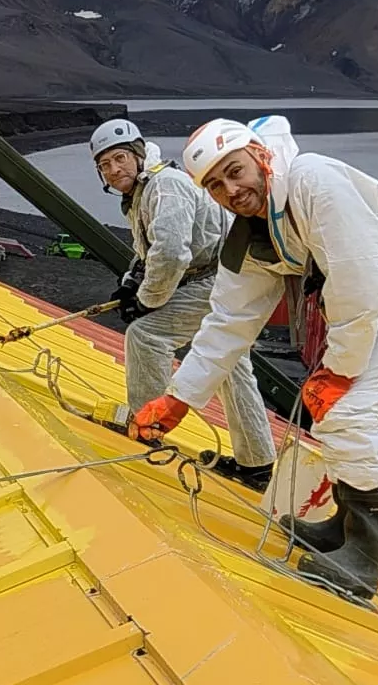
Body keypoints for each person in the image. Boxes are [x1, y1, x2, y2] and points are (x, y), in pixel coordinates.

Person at [130, 115, 378, 600]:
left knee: (349, 411)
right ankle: (345, 526)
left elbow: (359, 277)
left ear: (260, 155)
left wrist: (339, 371)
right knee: (330, 411)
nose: (231, 190)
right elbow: (229, 322)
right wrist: (178, 399)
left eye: (235, 171)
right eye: (216, 185)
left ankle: (363, 560)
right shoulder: (258, 233)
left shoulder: (313, 181)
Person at [89, 118, 275, 489]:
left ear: (138, 155)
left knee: (146, 335)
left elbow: (173, 254)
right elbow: (153, 248)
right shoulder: (147, 189)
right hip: (224, 275)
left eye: (120, 158)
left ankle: (146, 428)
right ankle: (257, 463)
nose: (114, 169)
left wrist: (146, 301)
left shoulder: (165, 185)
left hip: (211, 279)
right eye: (105, 165)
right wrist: (132, 281)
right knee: (229, 362)